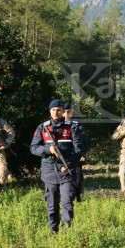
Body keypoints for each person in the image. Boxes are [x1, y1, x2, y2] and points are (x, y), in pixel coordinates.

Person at [31, 99, 85, 233]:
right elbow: (34, 148)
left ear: (63, 111)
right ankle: (53, 231)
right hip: (49, 171)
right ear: (50, 111)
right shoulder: (42, 127)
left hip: (67, 170)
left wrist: (70, 164)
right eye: (53, 110)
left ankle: (66, 231)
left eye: (58, 110)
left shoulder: (72, 127)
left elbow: (79, 149)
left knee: (67, 202)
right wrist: (48, 150)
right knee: (52, 205)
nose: (56, 112)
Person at [63, 102, 87, 202]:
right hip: (64, 156)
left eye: (71, 111)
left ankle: (78, 196)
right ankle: (67, 198)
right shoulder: (59, 125)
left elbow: (84, 141)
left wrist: (83, 154)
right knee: (65, 178)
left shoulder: (77, 125)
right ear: (63, 113)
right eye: (67, 111)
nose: (70, 113)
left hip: (76, 155)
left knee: (78, 177)